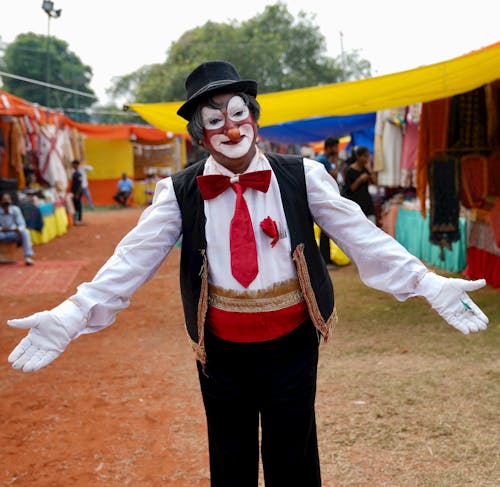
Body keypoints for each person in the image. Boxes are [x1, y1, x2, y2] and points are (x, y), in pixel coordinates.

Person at [6, 61, 489, 487]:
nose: (232, 130)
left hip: (293, 345)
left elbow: (362, 236)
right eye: (216, 122)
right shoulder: (178, 191)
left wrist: (426, 282)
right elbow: (132, 258)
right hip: (220, 352)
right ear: (200, 135)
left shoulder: (303, 175)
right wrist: (73, 313)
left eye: (239, 115)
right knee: (230, 460)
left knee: (293, 460)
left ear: (254, 119)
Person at [315, 137, 340, 265]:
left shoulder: (321, 158)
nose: (337, 150)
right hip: (322, 199)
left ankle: (326, 259)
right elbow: (333, 175)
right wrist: (336, 160)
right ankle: (326, 260)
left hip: (321, 198)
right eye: (336, 147)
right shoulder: (324, 160)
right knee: (325, 231)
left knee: (325, 231)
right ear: (330, 147)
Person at [342, 145, 377, 224]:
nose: (367, 159)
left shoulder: (366, 169)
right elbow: (350, 189)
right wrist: (360, 180)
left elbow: (375, 182)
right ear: (358, 156)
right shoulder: (350, 171)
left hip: (367, 203)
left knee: (371, 226)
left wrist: (370, 169)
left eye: (368, 156)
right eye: (365, 156)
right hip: (357, 204)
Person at [0, 192, 35, 265]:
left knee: (25, 232)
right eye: (4, 200)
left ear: (11, 201)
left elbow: (22, 224)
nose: (6, 202)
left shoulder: (15, 210)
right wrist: (2, 229)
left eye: (7, 200)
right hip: (1, 234)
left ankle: (28, 257)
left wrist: (18, 229)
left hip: (13, 234)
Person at [70, 159, 84, 225]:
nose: (72, 165)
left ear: (76, 165)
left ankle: (79, 219)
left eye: (73, 164)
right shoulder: (74, 173)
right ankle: (77, 220)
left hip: (77, 193)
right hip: (74, 193)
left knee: (78, 206)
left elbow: (80, 185)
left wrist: (77, 194)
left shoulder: (79, 174)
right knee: (75, 206)